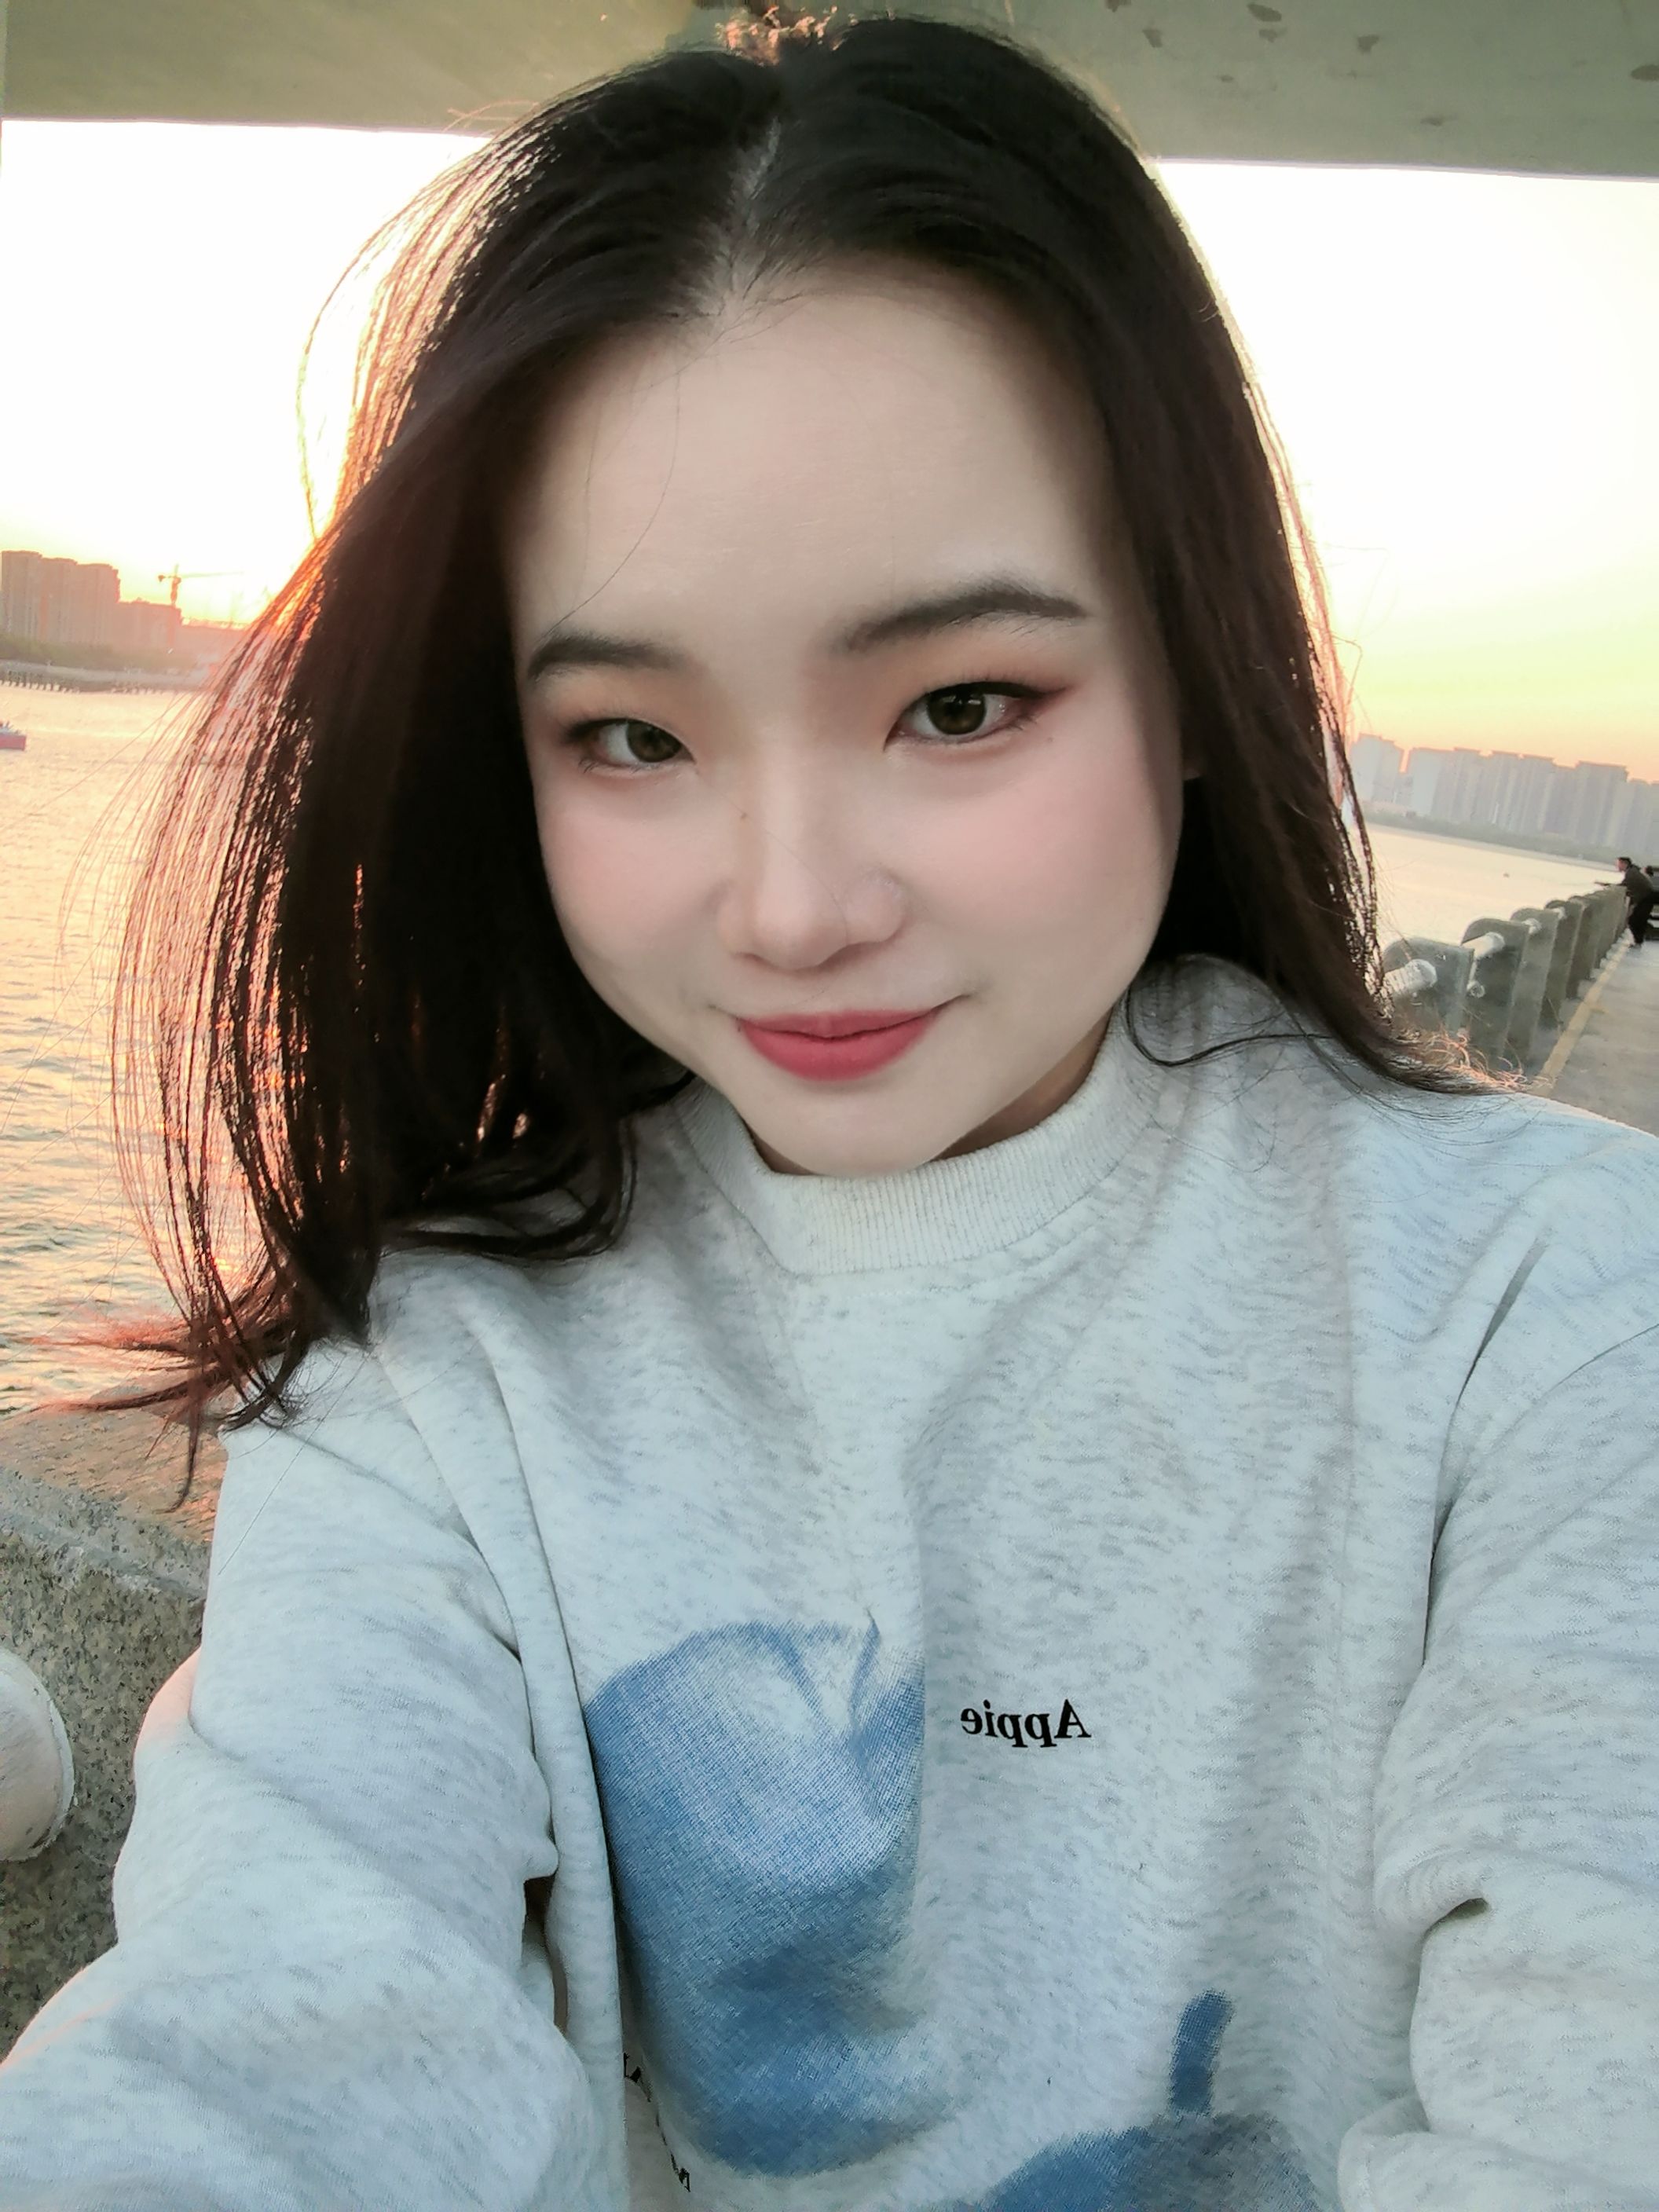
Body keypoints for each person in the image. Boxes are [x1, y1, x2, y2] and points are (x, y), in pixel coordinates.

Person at [2, 18, 1656, 2212]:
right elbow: (282, 2011)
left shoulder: (1549, 1319)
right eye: (630, 735)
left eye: (959, 703)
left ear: (1195, 673)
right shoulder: (438, 1376)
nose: (793, 907)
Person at [1616, 854, 1656, 945]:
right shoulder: (1632, 871)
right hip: (1646, 897)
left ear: (1624, 864)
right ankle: (1638, 941)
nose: (1617, 866)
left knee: (1636, 920)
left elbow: (1624, 885)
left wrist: (1607, 885)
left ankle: (1638, 941)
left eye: (1618, 864)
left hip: (1647, 898)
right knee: (1637, 920)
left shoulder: (1631, 873)